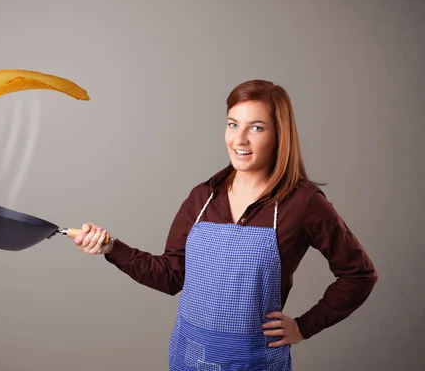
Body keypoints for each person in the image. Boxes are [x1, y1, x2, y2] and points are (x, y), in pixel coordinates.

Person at [73, 79, 378, 370]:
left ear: (279, 135)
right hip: (188, 358)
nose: (239, 139)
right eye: (233, 124)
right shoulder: (203, 197)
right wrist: (111, 248)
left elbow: (359, 275)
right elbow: (170, 276)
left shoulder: (303, 203)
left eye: (256, 128)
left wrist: (304, 326)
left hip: (255, 363)